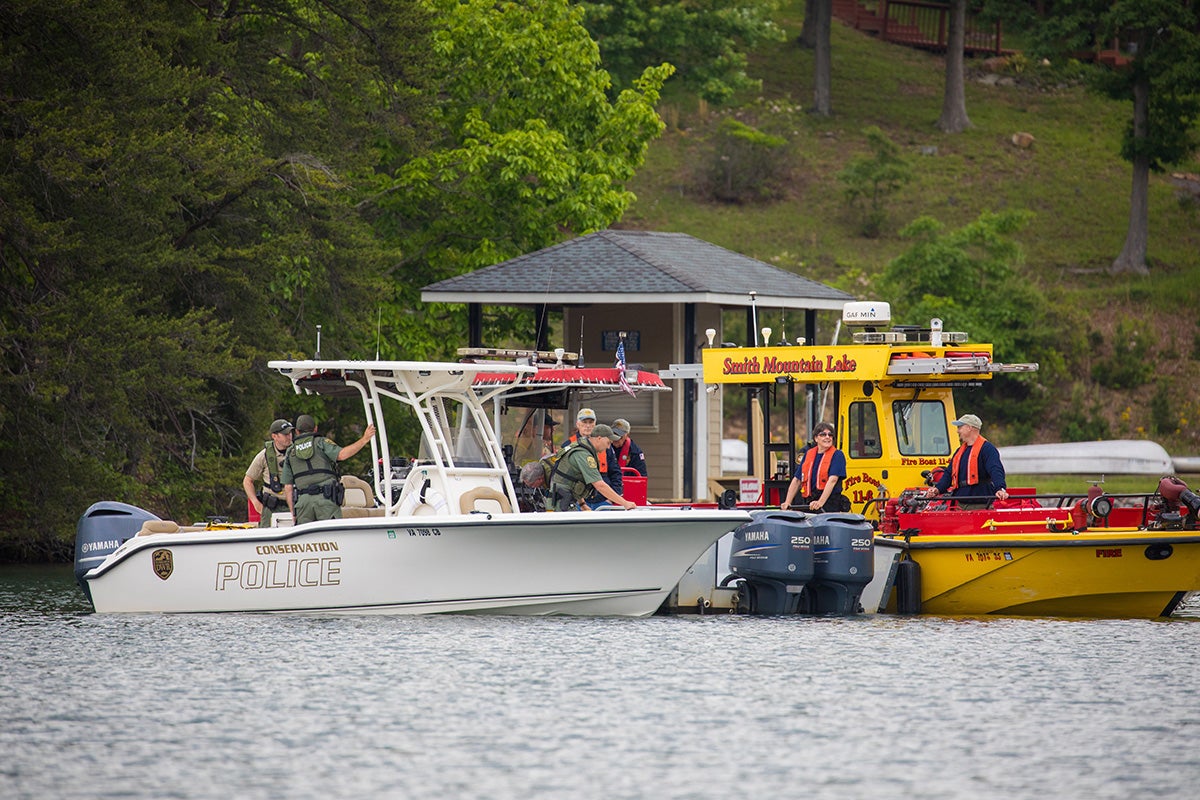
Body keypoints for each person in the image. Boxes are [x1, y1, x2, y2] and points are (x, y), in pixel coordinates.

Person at [282, 414, 377, 524]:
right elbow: (342, 455)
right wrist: (364, 439)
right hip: (325, 500)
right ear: (315, 428)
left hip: (303, 504)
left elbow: (288, 487)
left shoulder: (290, 452)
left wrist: (293, 512)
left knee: (308, 540)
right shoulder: (321, 442)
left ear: (297, 431)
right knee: (332, 537)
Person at [547, 424, 636, 511]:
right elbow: (600, 485)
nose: (608, 447)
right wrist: (625, 503)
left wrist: (582, 504)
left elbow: (574, 480)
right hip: (560, 505)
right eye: (608, 443)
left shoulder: (583, 448)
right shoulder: (583, 454)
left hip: (565, 500)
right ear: (599, 438)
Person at [924, 413, 1008, 502]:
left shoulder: (987, 449)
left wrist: (1000, 488)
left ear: (969, 428)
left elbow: (995, 469)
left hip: (980, 505)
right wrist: (937, 489)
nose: (957, 431)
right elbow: (948, 474)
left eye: (960, 427)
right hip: (960, 504)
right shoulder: (959, 451)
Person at [780, 421, 848, 512]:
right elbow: (797, 480)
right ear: (816, 438)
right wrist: (787, 502)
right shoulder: (808, 454)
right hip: (809, 503)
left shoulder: (837, 455)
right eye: (823, 435)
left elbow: (832, 480)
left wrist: (820, 502)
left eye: (830, 435)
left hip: (828, 504)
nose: (827, 437)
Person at [564, 407, 622, 505]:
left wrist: (611, 499)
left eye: (591, 422)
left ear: (595, 424)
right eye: (584, 422)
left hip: (602, 501)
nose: (588, 426)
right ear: (578, 424)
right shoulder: (568, 445)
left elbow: (615, 473)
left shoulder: (605, 444)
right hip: (577, 502)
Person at [242, 419, 294, 527]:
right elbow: (248, 481)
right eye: (285, 434)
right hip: (272, 507)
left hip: (295, 505)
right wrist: (256, 503)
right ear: (274, 436)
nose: (289, 436)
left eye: (290, 433)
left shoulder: (297, 453)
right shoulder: (264, 456)